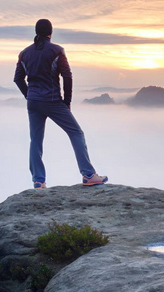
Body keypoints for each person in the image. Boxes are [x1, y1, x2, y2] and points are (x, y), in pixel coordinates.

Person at [14, 19, 108, 189]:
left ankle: (38, 181)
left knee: (35, 140)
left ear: (36, 32)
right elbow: (67, 76)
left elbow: (18, 79)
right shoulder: (57, 51)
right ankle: (88, 175)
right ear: (51, 32)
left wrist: (30, 95)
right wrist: (66, 102)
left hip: (34, 102)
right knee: (76, 133)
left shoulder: (24, 53)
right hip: (52, 101)